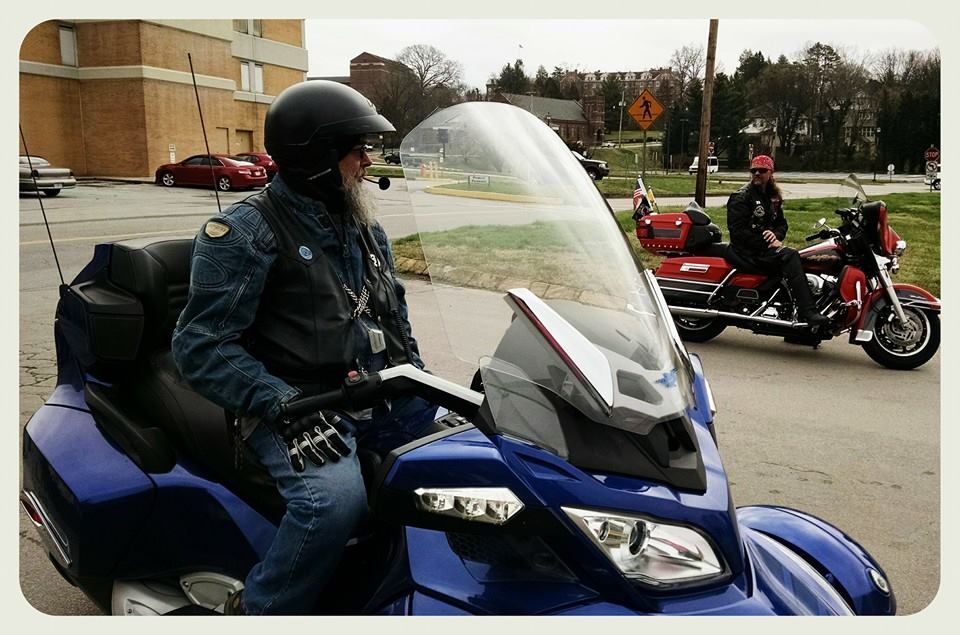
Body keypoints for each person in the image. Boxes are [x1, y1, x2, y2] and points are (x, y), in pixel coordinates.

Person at [171, 80, 438, 615]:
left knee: (474, 466)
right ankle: (261, 610)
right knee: (334, 504)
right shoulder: (246, 232)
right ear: (315, 156)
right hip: (293, 409)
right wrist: (279, 402)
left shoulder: (365, 229)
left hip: (370, 394)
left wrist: (427, 383)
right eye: (356, 149)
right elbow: (200, 345)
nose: (367, 161)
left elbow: (394, 317)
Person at [726, 155, 829, 326]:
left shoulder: (772, 197)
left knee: (805, 256)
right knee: (790, 256)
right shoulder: (741, 197)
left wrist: (776, 235)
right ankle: (807, 312)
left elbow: (782, 224)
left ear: (771, 172)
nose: (757, 173)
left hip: (761, 249)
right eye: (754, 170)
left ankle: (794, 316)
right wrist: (767, 242)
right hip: (746, 252)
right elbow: (738, 232)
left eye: (762, 170)